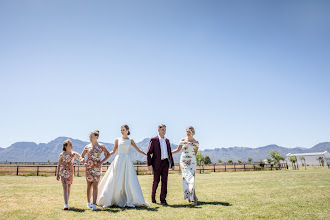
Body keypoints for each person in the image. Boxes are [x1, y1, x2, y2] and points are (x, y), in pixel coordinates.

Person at [97, 125, 149, 207]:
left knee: (129, 179)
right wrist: (107, 154)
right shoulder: (117, 140)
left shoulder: (131, 140)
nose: (122, 131)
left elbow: (138, 150)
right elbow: (114, 151)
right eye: (121, 130)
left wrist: (146, 154)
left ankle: (130, 199)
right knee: (115, 178)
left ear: (127, 130)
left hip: (127, 161)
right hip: (119, 160)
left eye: (123, 130)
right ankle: (112, 199)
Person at [81, 130, 110, 211]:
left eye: (92, 136)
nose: (90, 138)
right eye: (89, 137)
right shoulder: (87, 147)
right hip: (88, 168)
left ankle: (94, 204)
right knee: (89, 185)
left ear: (96, 137)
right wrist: (83, 161)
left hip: (97, 168)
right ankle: (88, 202)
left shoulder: (101, 146)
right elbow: (82, 156)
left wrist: (101, 162)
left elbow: (108, 154)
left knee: (95, 186)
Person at [147, 124, 175, 206]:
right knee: (156, 181)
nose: (164, 131)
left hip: (165, 163)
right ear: (158, 130)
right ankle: (153, 197)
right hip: (156, 164)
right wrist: (149, 164)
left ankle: (163, 200)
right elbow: (148, 153)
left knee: (164, 182)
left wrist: (172, 163)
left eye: (165, 129)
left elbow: (170, 153)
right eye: (162, 129)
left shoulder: (167, 141)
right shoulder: (154, 140)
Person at [172, 126, 199, 205]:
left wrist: (191, 159)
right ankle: (192, 197)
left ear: (193, 132)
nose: (188, 132)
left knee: (192, 180)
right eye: (187, 131)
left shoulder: (196, 142)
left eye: (189, 131)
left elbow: (195, 153)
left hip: (192, 162)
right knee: (186, 180)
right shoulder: (182, 140)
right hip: (183, 161)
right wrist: (169, 152)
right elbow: (178, 150)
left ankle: (194, 197)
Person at [56, 139, 83, 210]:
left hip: (70, 173)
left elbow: (80, 156)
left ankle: (67, 202)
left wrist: (81, 159)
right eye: (70, 144)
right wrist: (57, 174)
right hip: (63, 173)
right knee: (65, 188)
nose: (72, 145)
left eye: (72, 144)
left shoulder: (73, 154)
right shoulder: (61, 155)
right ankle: (66, 204)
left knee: (69, 187)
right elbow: (59, 164)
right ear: (65, 146)